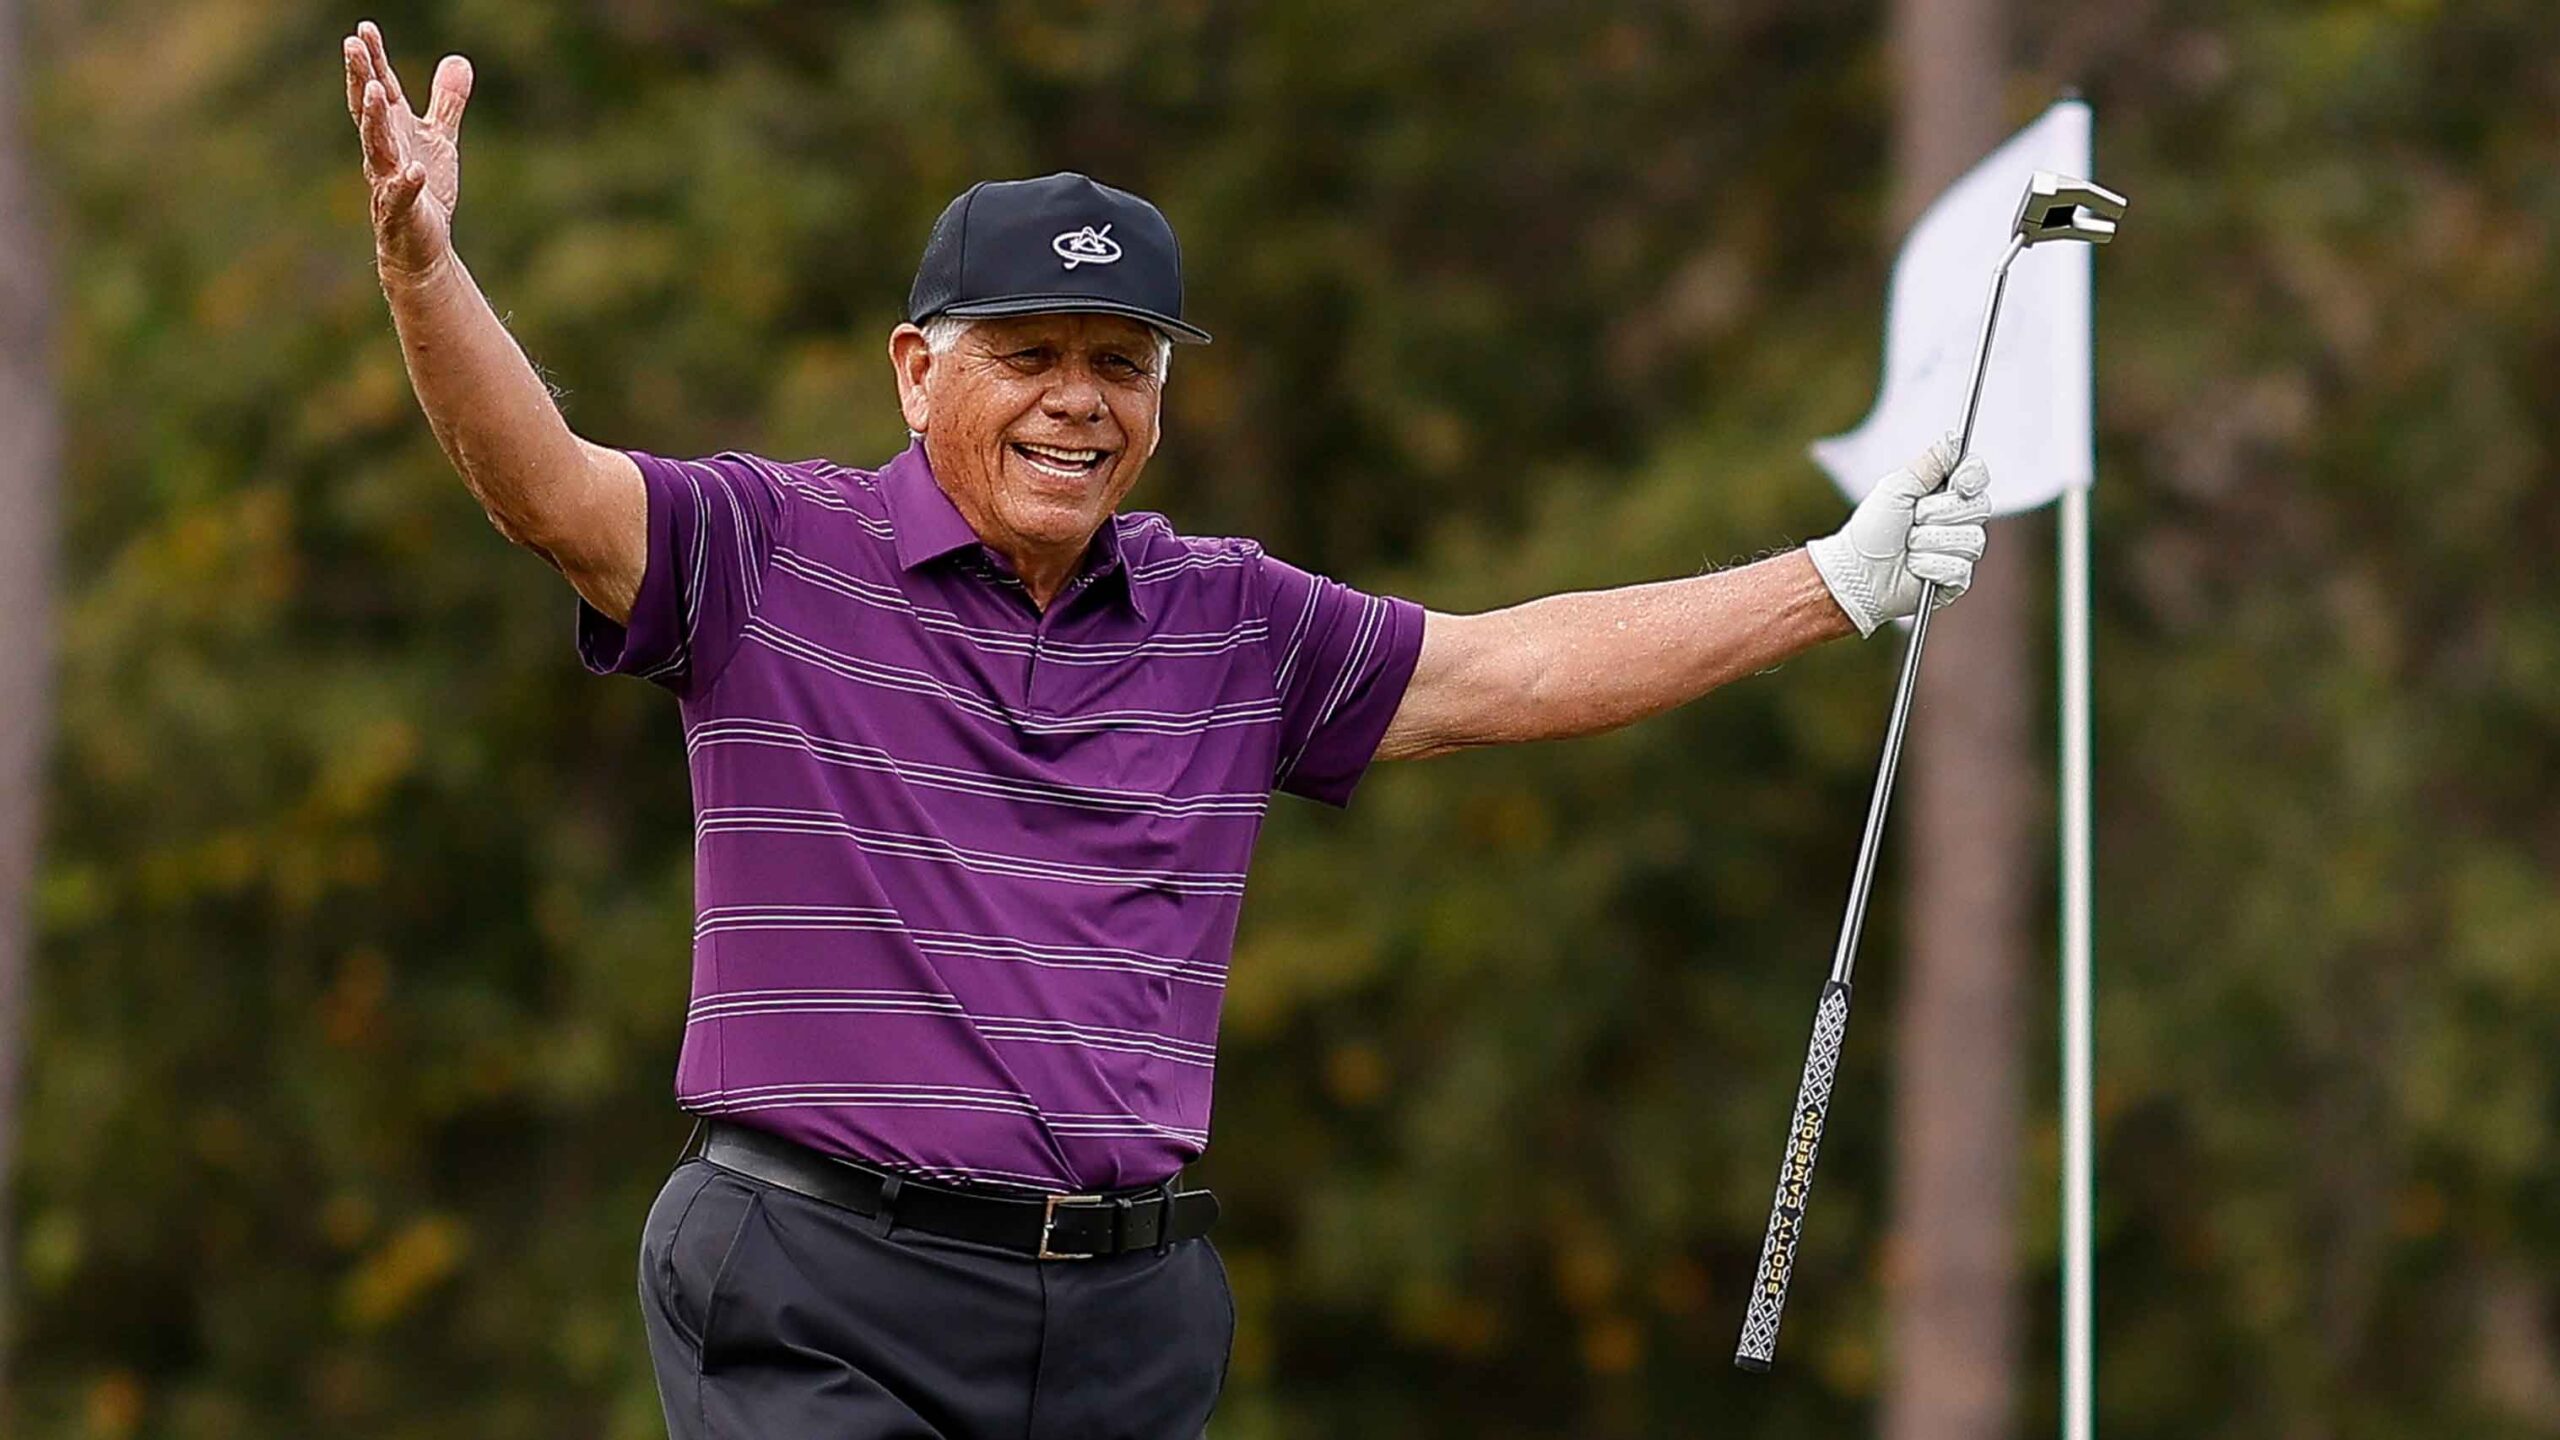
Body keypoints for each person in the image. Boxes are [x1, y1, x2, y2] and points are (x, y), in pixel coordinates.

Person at [343, 20, 1990, 1439]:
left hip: (1128, 1318)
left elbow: (1515, 673)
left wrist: (1831, 583)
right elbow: (544, 484)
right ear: (916, 371)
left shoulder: (1233, 615)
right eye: (1032, 355)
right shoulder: (767, 549)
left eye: (1121, 364)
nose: (1081, 399)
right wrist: (424, 269)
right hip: (819, 1278)